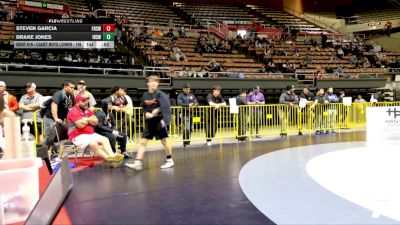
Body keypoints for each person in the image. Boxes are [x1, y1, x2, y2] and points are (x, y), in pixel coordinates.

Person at [125, 75, 173, 171]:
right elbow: (143, 107)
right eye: (152, 81)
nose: (154, 83)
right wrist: (146, 113)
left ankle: (169, 160)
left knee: (164, 141)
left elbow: (166, 106)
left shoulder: (161, 94)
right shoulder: (145, 95)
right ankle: (138, 162)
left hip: (159, 121)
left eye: (156, 81)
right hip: (150, 122)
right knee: (143, 142)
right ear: (148, 83)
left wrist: (156, 111)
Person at [67, 94, 124, 167]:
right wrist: (90, 120)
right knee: (93, 143)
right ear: (77, 102)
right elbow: (80, 125)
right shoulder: (73, 111)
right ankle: (109, 159)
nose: (86, 102)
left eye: (87, 100)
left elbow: (96, 122)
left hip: (90, 134)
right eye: (83, 101)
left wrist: (86, 119)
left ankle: (112, 156)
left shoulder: (87, 110)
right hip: (77, 136)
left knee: (105, 139)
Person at [43, 80, 75, 157]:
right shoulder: (59, 94)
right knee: (49, 137)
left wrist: (67, 121)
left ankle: (54, 155)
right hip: (50, 118)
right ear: (65, 87)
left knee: (57, 137)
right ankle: (41, 155)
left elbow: (69, 109)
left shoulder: (71, 96)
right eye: (71, 87)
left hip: (60, 119)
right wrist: (56, 118)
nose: (73, 89)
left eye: (74, 87)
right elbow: (54, 105)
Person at [177, 83, 198, 149]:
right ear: (183, 89)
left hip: (191, 114)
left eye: (188, 89)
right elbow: (179, 103)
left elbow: (196, 102)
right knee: (187, 128)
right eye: (186, 89)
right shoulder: (180, 95)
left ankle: (188, 142)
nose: (187, 90)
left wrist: (195, 105)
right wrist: (188, 105)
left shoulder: (192, 95)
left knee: (190, 129)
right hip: (184, 114)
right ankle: (186, 143)